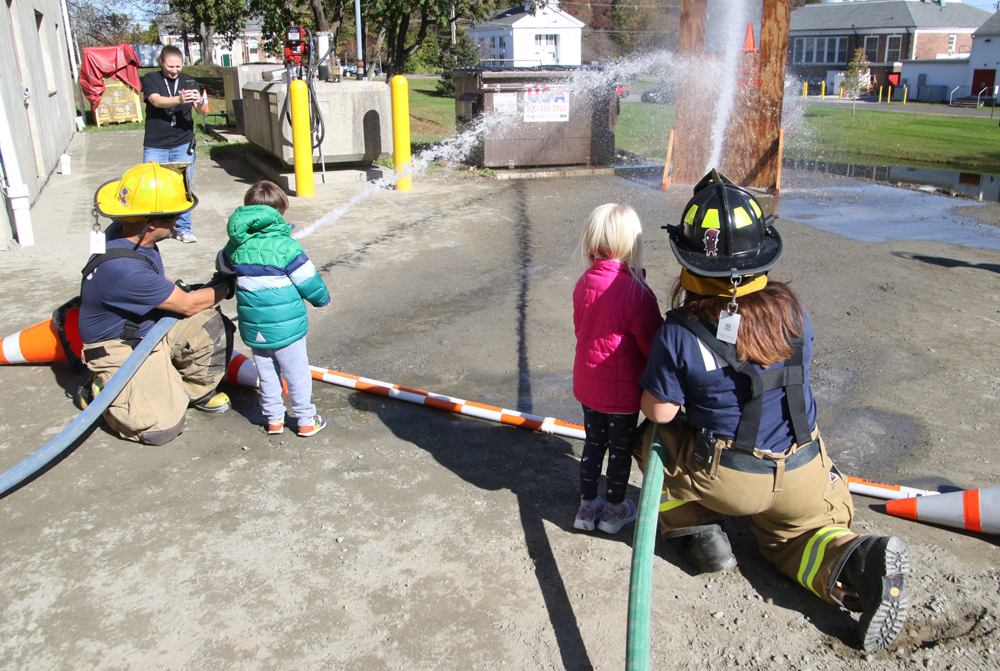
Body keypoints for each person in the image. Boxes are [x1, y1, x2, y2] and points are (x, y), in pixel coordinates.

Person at [635, 170, 909, 653]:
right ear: (763, 253)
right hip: (806, 470)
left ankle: (699, 536)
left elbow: (660, 412)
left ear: (690, 262)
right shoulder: (793, 310)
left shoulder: (679, 331)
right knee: (795, 539)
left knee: (646, 439)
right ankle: (854, 560)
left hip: (731, 479)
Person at [79, 162, 233, 446]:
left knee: (211, 323)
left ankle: (186, 390)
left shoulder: (126, 232)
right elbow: (186, 305)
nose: (178, 222)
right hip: (118, 346)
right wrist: (228, 284)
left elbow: (158, 282)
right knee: (160, 429)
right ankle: (103, 386)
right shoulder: (124, 268)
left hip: (143, 325)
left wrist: (192, 290)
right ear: (152, 223)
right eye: (174, 217)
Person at [572, 204, 663, 533]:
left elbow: (582, 328)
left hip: (588, 382)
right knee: (621, 448)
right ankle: (613, 511)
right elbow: (651, 344)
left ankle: (585, 509)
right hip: (623, 390)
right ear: (632, 243)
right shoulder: (637, 293)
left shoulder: (585, 282)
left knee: (594, 442)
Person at [216, 181, 331, 437]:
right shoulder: (287, 246)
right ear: (281, 213)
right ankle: (304, 420)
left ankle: (274, 421)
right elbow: (308, 280)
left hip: (255, 326)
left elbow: (222, 267)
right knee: (296, 372)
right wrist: (322, 299)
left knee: (267, 373)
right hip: (286, 327)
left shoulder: (236, 246)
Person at [140, 45, 209, 243]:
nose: (174, 70)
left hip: (182, 142)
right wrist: (178, 99)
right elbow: (155, 101)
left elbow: (202, 111)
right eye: (170, 66)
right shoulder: (151, 79)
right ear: (161, 62)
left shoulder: (189, 81)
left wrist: (201, 101)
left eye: (178, 66)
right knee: (153, 185)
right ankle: (152, 225)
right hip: (156, 143)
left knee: (182, 186)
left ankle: (183, 228)